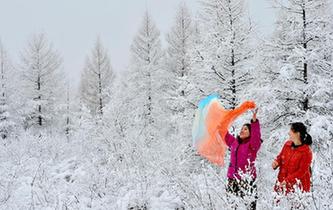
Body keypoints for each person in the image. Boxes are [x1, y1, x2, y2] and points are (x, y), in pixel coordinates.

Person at [223, 108, 261, 210]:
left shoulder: (252, 145)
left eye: (245, 129)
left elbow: (256, 136)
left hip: (246, 180)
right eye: (242, 128)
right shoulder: (235, 142)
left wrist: (254, 122)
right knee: (232, 205)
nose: (242, 130)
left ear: (251, 133)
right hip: (232, 180)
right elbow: (224, 135)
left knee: (249, 206)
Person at [272, 122, 313, 194]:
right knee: (278, 204)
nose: (288, 133)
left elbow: (302, 171)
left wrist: (288, 180)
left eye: (291, 130)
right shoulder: (287, 145)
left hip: (297, 188)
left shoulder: (306, 152)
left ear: (298, 133)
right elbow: (280, 157)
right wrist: (276, 162)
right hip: (282, 182)